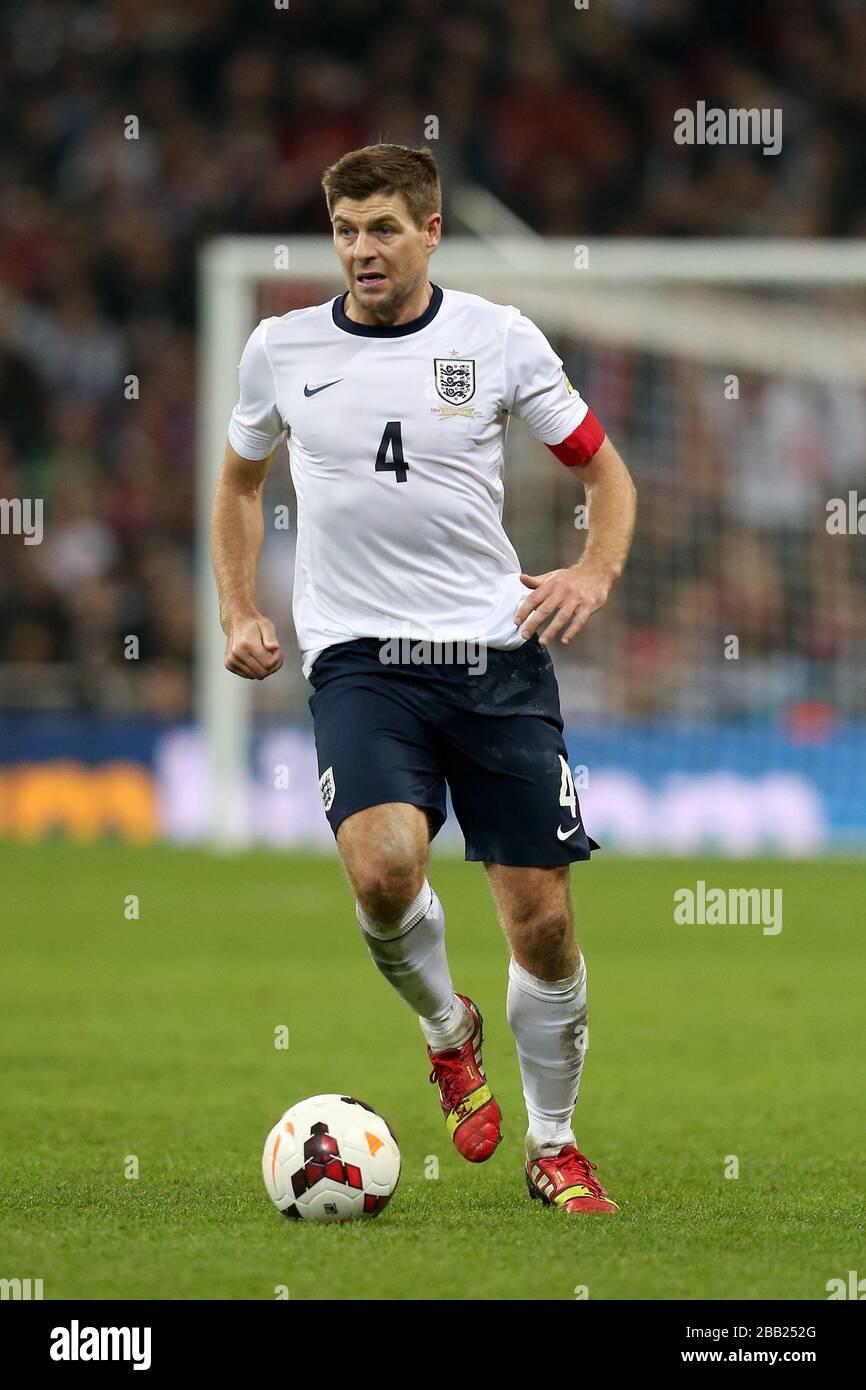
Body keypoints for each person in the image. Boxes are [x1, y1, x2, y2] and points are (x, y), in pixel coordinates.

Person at [211, 144, 636, 1214]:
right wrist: (238, 604)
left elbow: (602, 469)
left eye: (383, 229)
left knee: (539, 922)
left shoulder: (496, 339)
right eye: (346, 231)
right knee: (382, 867)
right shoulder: (281, 347)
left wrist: (592, 568)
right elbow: (237, 480)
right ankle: (449, 1031)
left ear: (431, 230)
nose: (361, 250)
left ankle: (554, 1142)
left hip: (494, 660)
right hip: (362, 663)